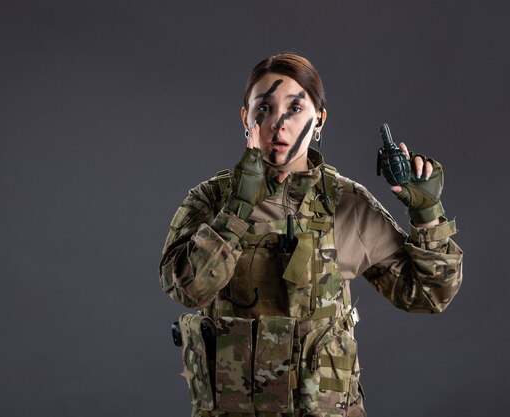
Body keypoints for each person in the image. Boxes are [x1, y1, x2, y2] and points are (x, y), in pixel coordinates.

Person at [159, 53, 463, 417]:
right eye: (264, 109)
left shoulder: (346, 203)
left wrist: (427, 216)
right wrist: (239, 207)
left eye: (295, 108)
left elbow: (429, 294)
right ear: (246, 117)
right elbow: (186, 289)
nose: (279, 124)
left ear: (318, 119)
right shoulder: (211, 200)